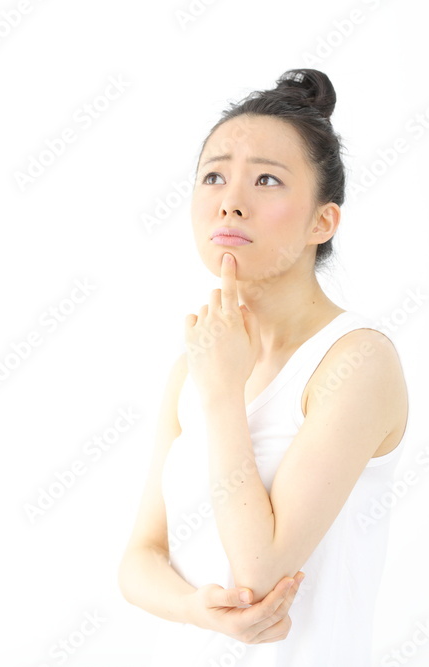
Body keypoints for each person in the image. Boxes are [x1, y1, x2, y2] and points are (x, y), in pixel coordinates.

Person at [118, 68, 409, 665]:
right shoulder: (195, 364)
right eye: (214, 176)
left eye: (267, 179)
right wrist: (196, 609)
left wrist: (223, 394)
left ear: (322, 221)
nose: (230, 201)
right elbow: (140, 558)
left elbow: (259, 573)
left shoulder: (357, 361)